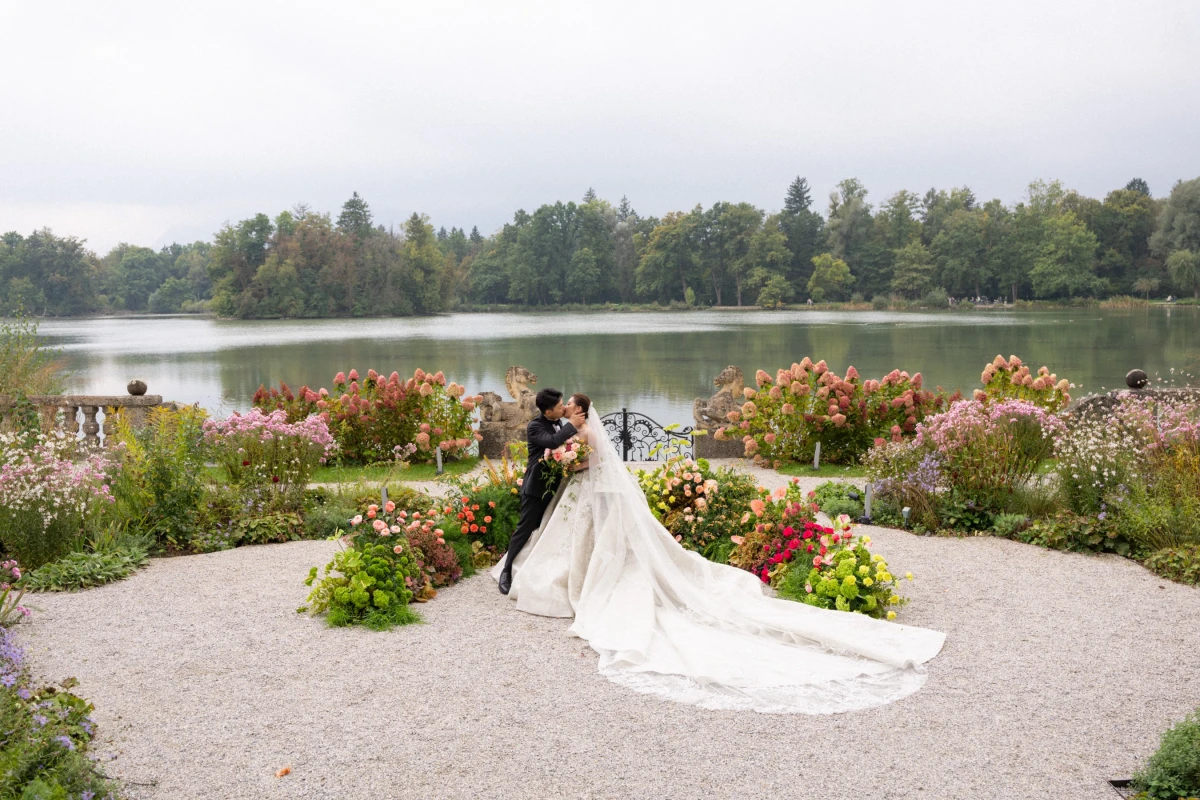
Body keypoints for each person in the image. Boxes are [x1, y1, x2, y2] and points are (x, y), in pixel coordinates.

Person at [493, 397, 946, 714]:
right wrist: (568, 462)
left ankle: (580, 584)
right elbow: (569, 453)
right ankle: (551, 573)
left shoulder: (584, 429)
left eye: (571, 407)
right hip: (582, 491)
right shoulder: (570, 427)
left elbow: (590, 458)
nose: (567, 412)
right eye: (566, 408)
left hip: (588, 485)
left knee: (599, 547)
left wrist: (572, 463)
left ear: (578, 410)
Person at [497, 388, 585, 596]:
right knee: (525, 528)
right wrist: (572, 425)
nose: (563, 408)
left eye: (564, 403)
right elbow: (552, 443)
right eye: (559, 406)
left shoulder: (559, 423)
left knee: (547, 529)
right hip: (536, 487)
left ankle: (535, 570)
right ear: (547, 412)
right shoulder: (535, 426)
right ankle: (506, 570)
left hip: (555, 487)